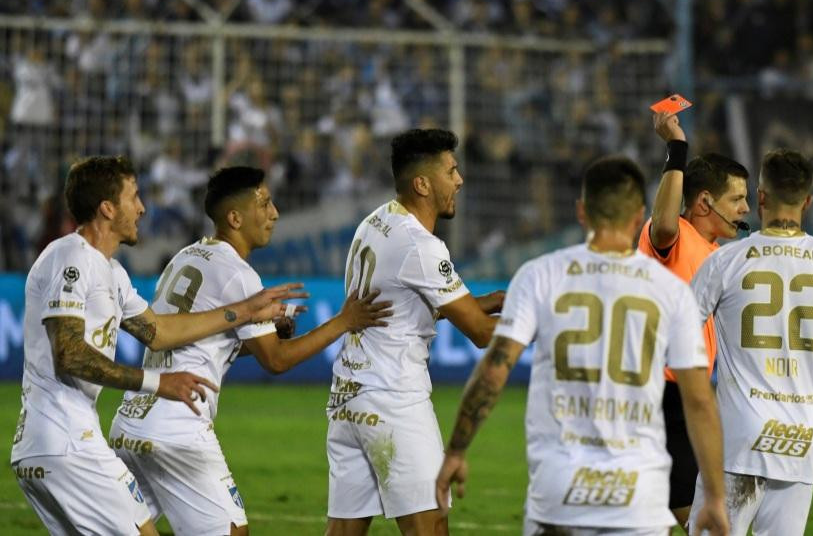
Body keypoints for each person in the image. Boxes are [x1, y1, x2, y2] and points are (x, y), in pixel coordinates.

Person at [436, 155, 729, 536]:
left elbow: (493, 370)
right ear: (639, 215)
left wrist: (456, 450)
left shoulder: (540, 276)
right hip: (637, 497)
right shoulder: (672, 292)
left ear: (581, 211)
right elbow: (700, 401)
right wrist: (717, 499)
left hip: (560, 493)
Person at [11, 156, 303, 536]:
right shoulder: (71, 258)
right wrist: (157, 382)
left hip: (56, 445)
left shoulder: (111, 272)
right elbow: (69, 355)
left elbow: (160, 332)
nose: (142, 207)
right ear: (107, 208)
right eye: (134, 197)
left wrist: (243, 313)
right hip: (68, 445)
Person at [109, 166, 392, 536]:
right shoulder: (238, 274)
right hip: (177, 428)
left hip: (133, 420)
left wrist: (262, 335)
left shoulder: (187, 256)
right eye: (265, 203)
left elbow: (198, 340)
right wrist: (344, 320)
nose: (274, 213)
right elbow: (276, 360)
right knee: (232, 531)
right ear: (235, 217)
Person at [326, 129, 503, 536]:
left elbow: (399, 313)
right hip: (394, 402)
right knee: (431, 527)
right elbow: (479, 333)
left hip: (348, 402)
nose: (459, 180)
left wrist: (487, 300)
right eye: (451, 171)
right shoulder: (420, 245)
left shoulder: (375, 223)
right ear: (422, 183)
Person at [689, 150, 813, 534]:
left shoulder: (726, 262)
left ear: (760, 197)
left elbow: (678, 334)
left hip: (739, 435)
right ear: (808, 201)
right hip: (803, 437)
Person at [637, 111, 749, 528]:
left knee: (670, 516)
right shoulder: (673, 234)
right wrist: (677, 149)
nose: (745, 208)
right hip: (660, 394)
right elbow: (664, 221)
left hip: (688, 394)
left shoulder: (718, 255)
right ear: (705, 202)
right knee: (688, 516)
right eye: (737, 199)